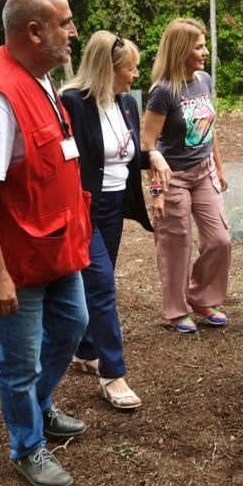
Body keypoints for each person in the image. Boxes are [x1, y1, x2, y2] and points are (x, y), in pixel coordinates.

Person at [0, 0, 92, 486]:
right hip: (14, 260)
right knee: (19, 359)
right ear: (35, 31)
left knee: (74, 325)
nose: (73, 32)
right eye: (66, 22)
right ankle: (27, 446)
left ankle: (40, 404)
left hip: (52, 247)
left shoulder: (41, 79)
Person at [62, 30, 169, 411]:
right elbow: (68, 159)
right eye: (130, 67)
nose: (135, 74)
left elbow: (124, 153)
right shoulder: (72, 103)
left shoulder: (126, 104)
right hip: (84, 209)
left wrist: (150, 157)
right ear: (107, 68)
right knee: (103, 285)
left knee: (96, 285)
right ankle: (112, 373)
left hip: (114, 208)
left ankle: (86, 349)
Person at [141, 17, 231, 333]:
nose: (205, 52)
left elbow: (209, 128)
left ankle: (201, 296)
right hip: (173, 178)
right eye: (199, 46)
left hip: (204, 172)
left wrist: (219, 168)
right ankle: (176, 310)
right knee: (175, 246)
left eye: (204, 45)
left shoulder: (204, 80)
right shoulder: (163, 92)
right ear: (181, 50)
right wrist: (157, 192)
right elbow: (148, 145)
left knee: (220, 239)